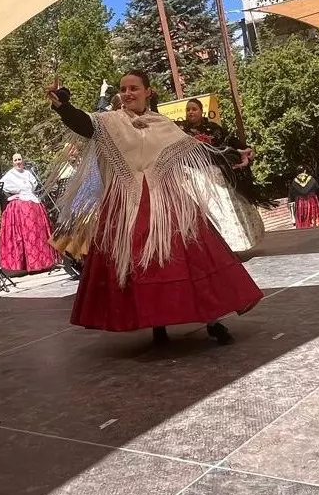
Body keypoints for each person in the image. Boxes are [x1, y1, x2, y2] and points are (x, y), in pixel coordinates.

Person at [47, 71, 263, 346]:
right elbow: (81, 122)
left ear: (148, 92)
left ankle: (213, 320)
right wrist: (62, 106)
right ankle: (157, 323)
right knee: (142, 267)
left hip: (168, 201)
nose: (127, 94)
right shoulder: (108, 122)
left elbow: (196, 152)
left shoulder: (163, 125)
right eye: (123, 89)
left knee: (192, 258)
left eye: (134, 88)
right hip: (126, 205)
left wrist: (233, 155)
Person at [177, 97, 265, 252]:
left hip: (216, 174)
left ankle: (233, 245)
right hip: (192, 175)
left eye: (194, 109)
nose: (190, 112)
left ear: (201, 111)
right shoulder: (180, 130)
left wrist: (246, 149)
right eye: (188, 110)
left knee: (225, 209)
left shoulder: (213, 128)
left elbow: (231, 140)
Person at [0, 153, 57, 273]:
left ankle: (43, 262)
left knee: (38, 233)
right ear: (12, 162)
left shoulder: (28, 173)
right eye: (15, 160)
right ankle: (29, 264)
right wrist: (13, 196)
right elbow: (2, 186)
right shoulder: (10, 175)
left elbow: (34, 186)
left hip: (33, 204)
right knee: (25, 234)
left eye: (20, 159)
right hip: (20, 206)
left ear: (23, 161)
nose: (18, 162)